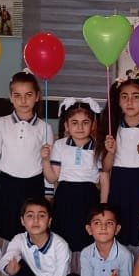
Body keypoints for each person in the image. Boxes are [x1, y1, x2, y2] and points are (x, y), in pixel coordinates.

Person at [0, 70, 53, 276]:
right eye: (18, 95)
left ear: (37, 97)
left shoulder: (45, 127)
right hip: (8, 185)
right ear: (11, 97)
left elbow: (47, 164)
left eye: (28, 95)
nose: (23, 100)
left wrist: (48, 195)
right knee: (7, 241)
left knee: (30, 239)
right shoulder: (2, 123)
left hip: (32, 187)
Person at [104, 74, 139, 248]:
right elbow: (105, 168)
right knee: (119, 233)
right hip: (119, 185)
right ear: (118, 100)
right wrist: (111, 152)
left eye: (136, 97)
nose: (129, 102)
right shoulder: (113, 128)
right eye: (124, 97)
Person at [43, 98, 106, 258]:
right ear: (66, 126)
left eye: (85, 122)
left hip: (88, 197)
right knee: (63, 238)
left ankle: (83, 270)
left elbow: (104, 179)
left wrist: (103, 206)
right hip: (65, 197)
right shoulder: (60, 145)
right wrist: (44, 160)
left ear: (93, 125)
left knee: (86, 238)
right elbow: (52, 178)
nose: (80, 127)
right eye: (74, 123)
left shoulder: (98, 147)